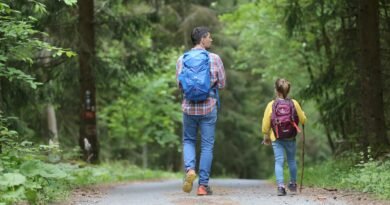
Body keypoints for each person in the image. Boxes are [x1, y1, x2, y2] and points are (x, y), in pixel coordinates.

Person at [176, 26, 225, 196]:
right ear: (202, 39)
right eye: (209, 37)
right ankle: (203, 186)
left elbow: (180, 85)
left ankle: (190, 170)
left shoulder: (182, 59)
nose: (211, 40)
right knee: (206, 146)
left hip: (188, 107)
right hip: (208, 106)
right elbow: (222, 83)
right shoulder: (214, 58)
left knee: (188, 140)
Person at [261, 78, 306, 196]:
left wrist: (266, 136)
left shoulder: (271, 105)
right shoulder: (294, 103)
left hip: (276, 137)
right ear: (288, 90)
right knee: (291, 160)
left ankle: (281, 187)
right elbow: (303, 120)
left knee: (279, 161)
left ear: (276, 90)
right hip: (290, 137)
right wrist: (303, 115)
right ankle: (293, 184)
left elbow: (266, 124)